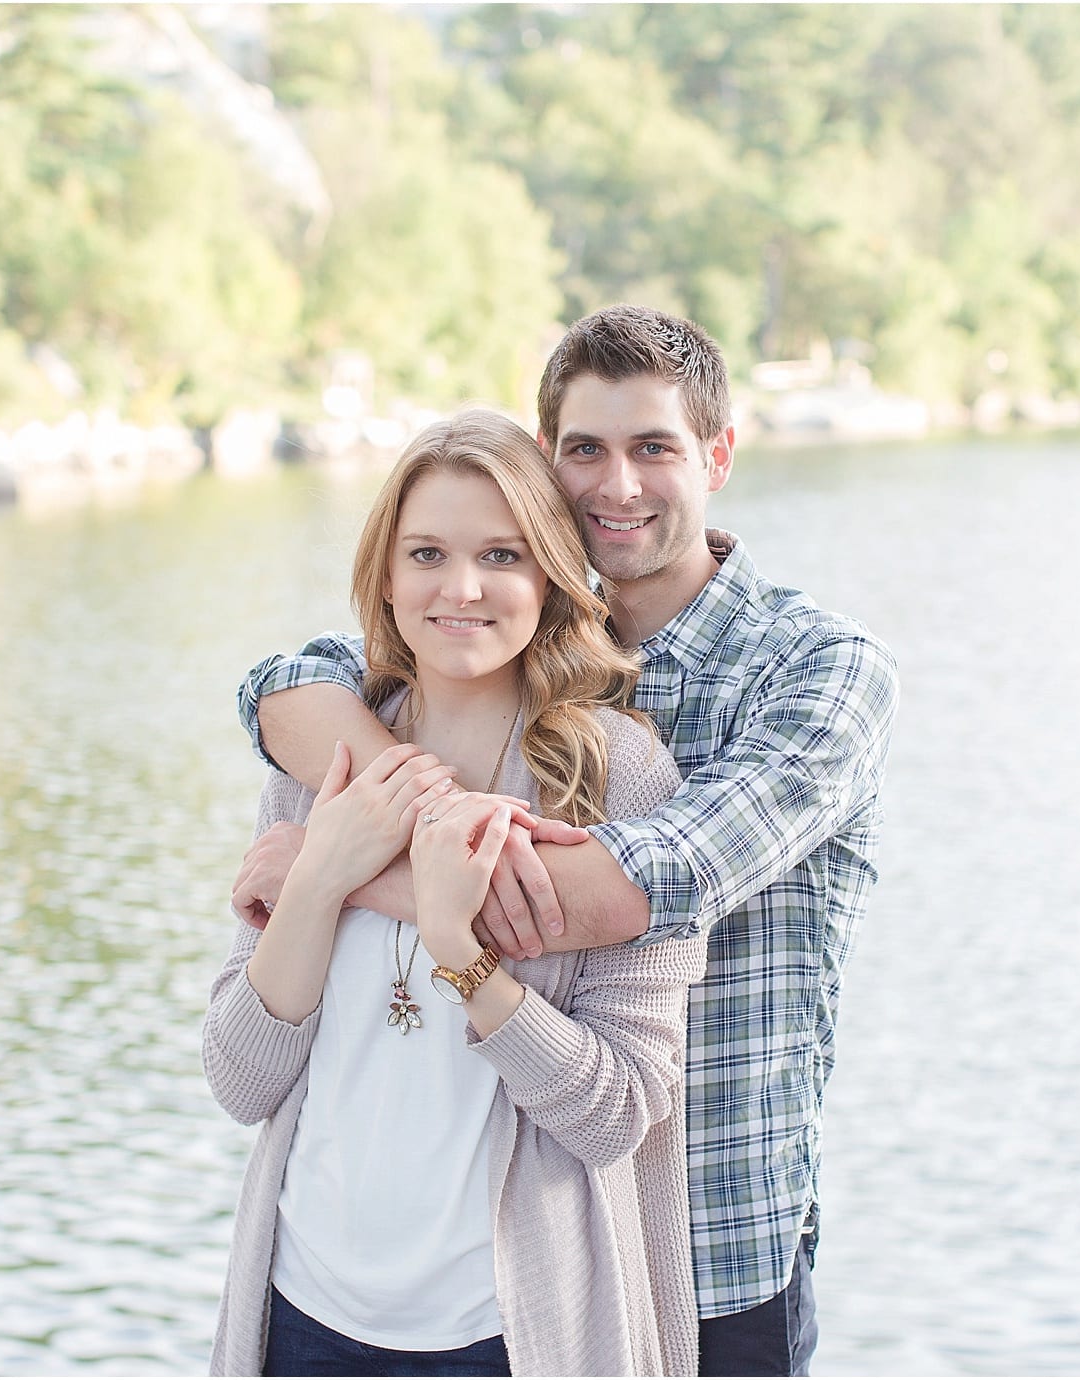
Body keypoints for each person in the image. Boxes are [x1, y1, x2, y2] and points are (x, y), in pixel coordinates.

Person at [231, 306, 900, 1377]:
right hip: (522, 1236)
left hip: (714, 1245)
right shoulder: (499, 617)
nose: (617, 485)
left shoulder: (815, 672)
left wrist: (345, 871)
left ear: (717, 456)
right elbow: (284, 686)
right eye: (585, 449)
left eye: (654, 449)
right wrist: (359, 820)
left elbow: (635, 887)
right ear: (548, 463)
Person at [204, 408, 707, 1377]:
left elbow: (618, 1112)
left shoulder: (620, 780)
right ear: (385, 579)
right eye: (427, 553)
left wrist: (462, 951)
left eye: (502, 556)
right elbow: (239, 1078)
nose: (461, 589)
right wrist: (319, 877)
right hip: (299, 1316)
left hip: (503, 1333)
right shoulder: (324, 756)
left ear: (550, 576)